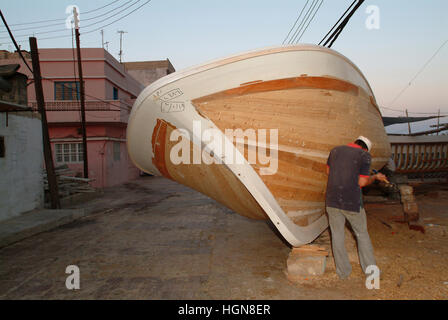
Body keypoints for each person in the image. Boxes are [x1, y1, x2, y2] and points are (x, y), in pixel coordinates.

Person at [325, 136, 388, 279]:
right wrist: (375, 178)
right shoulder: (364, 155)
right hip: (351, 202)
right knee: (362, 235)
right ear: (365, 148)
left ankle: (343, 273)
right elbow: (362, 182)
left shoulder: (335, 150)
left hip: (332, 200)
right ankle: (371, 272)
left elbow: (329, 172)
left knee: (337, 236)